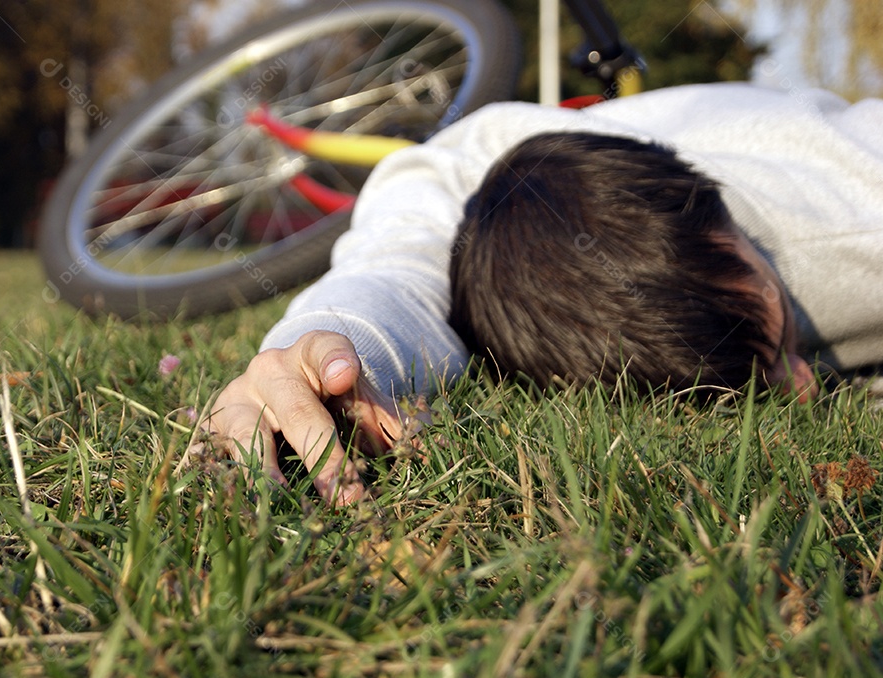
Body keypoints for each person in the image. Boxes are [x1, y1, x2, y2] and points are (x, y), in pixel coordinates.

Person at [201, 83, 883, 504]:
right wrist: (320, 353)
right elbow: (395, 273)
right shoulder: (447, 191)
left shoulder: (856, 208)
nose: (807, 388)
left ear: (720, 216)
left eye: (783, 338)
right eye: (758, 381)